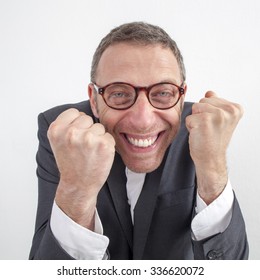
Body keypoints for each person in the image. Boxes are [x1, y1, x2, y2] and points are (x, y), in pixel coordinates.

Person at [29, 22, 249, 260]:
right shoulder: (63, 134)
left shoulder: (204, 130)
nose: (143, 120)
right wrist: (76, 190)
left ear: (182, 95)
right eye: (120, 93)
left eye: (163, 93)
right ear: (94, 100)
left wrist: (213, 170)